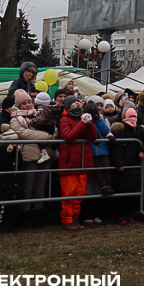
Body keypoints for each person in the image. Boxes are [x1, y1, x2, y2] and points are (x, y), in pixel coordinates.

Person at [9, 104, 56, 228]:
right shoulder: (15, 119)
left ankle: (38, 215)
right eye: (24, 102)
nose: (28, 104)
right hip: (29, 156)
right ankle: (25, 216)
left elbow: (53, 129)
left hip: (46, 155)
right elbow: (24, 133)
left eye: (29, 101)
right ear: (18, 104)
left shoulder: (38, 116)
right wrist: (45, 136)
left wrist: (50, 134)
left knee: (40, 187)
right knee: (28, 187)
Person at [57, 96, 98, 230]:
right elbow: (69, 136)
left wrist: (90, 123)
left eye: (78, 102)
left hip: (82, 162)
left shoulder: (82, 118)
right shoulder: (64, 119)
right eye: (74, 102)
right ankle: (67, 219)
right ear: (68, 106)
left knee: (79, 193)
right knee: (69, 193)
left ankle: (75, 218)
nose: (77, 104)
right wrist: (83, 123)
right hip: (69, 162)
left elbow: (93, 137)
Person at [108, 107, 144, 224]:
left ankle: (128, 214)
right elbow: (116, 149)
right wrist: (119, 164)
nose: (133, 119)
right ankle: (118, 215)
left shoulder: (140, 130)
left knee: (131, 192)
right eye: (130, 116)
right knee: (120, 192)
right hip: (123, 167)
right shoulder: (121, 130)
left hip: (135, 166)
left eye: (134, 116)